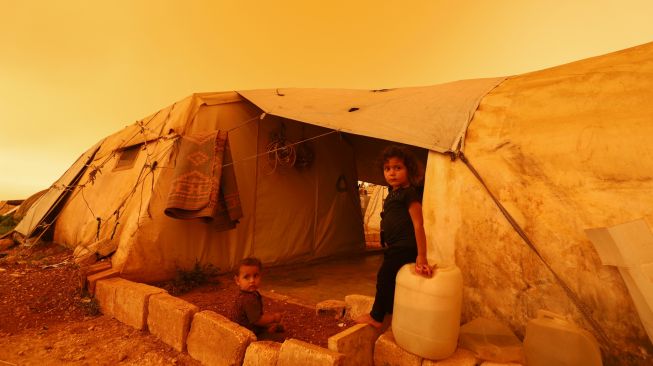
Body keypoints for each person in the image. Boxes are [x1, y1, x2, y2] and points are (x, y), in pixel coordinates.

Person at [356, 145, 434, 329]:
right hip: (395, 247)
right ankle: (391, 310)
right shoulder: (393, 193)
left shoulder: (409, 194)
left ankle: (376, 316)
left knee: (385, 276)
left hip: (405, 246)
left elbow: (418, 224)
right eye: (387, 168)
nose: (392, 173)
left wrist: (421, 255)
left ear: (409, 170)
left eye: (398, 168)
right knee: (390, 278)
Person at [230, 257, 284, 339]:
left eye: (255, 276)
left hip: (248, 326)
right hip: (246, 333)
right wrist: (274, 318)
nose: (252, 280)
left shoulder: (248, 294)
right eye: (246, 277)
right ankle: (269, 332)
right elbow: (258, 320)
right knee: (279, 338)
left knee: (270, 325)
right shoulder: (248, 299)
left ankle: (270, 328)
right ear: (237, 280)